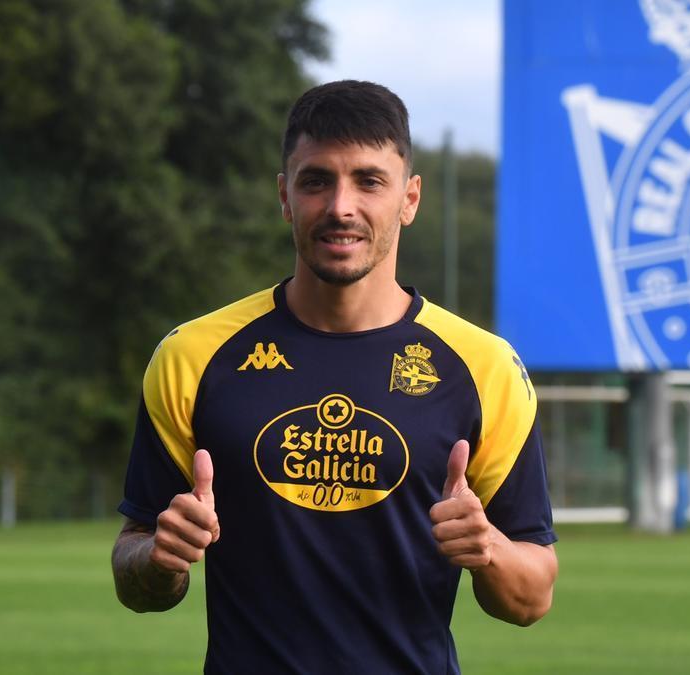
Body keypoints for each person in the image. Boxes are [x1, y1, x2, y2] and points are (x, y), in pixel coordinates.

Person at [111, 80, 558, 674]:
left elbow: (533, 597)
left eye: (369, 181)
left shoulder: (484, 367)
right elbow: (134, 569)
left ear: (410, 198)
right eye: (316, 180)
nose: (340, 206)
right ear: (285, 196)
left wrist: (489, 549)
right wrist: (159, 558)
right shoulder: (192, 356)